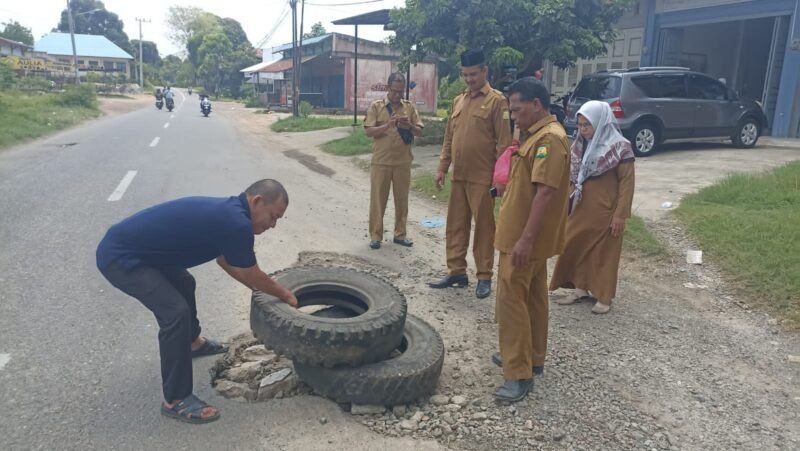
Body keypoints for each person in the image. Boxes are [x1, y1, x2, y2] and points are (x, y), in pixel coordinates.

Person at [96, 179, 298, 424]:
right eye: (273, 216)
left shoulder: (231, 215)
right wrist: (285, 295)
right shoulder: (236, 222)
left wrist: (259, 291)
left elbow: (227, 261)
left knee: (184, 283)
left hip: (143, 253)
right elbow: (251, 271)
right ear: (257, 201)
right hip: (121, 257)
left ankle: (193, 343)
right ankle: (176, 400)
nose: (273, 225)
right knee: (174, 313)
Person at [492, 77, 570, 402]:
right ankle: (532, 357)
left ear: (536, 105)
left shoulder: (549, 140)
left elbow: (545, 194)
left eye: (517, 109)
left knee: (511, 302)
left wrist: (524, 240)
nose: (513, 116)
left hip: (522, 241)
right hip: (526, 238)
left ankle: (518, 372)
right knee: (534, 299)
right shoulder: (537, 135)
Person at [429, 49, 512, 299]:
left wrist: (500, 180)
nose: (468, 79)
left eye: (473, 74)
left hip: (482, 178)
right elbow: (449, 138)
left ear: (484, 71)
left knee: (485, 228)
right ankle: (456, 271)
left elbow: (504, 144)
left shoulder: (497, 101)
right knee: (455, 226)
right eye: (465, 75)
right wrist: (443, 167)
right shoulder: (459, 100)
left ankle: (484, 276)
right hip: (459, 176)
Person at [549, 101, 636, 314]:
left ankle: (604, 297)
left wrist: (620, 215)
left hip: (606, 209)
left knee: (603, 254)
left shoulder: (620, 147)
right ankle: (580, 288)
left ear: (600, 122)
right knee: (575, 243)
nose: (583, 129)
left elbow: (627, 183)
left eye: (587, 124)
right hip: (581, 207)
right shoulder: (580, 144)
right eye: (580, 125)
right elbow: (572, 175)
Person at [364, 72, 424, 249]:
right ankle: (376, 235)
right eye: (395, 91)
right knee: (378, 200)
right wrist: (387, 125)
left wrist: (409, 126)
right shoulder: (377, 107)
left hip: (402, 161)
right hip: (381, 161)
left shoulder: (409, 108)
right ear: (388, 88)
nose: (398, 95)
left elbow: (420, 131)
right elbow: (369, 131)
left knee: (402, 200)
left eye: (401, 91)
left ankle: (400, 234)